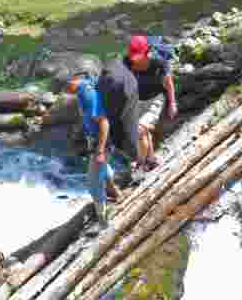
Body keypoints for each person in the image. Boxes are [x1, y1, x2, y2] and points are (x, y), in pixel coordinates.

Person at [66, 74, 123, 221]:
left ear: (74, 80)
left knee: (92, 183)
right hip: (95, 140)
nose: (66, 91)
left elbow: (104, 122)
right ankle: (116, 193)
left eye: (67, 86)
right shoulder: (82, 91)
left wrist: (100, 150)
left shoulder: (88, 94)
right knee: (102, 168)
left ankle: (102, 216)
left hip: (102, 143)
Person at [125, 35, 178, 171]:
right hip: (137, 99)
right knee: (144, 130)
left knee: (140, 129)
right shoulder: (127, 61)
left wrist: (172, 103)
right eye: (132, 54)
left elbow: (168, 83)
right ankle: (152, 160)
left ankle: (140, 164)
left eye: (137, 55)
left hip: (155, 99)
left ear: (146, 52)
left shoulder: (158, 62)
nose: (133, 58)